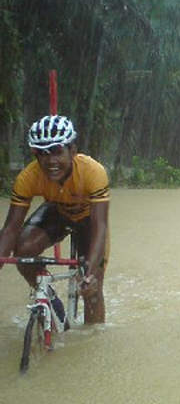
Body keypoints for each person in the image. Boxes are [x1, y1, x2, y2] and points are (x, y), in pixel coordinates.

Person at [0, 115, 110, 323]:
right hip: (58, 211)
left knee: (92, 290)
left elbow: (100, 226)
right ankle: (48, 296)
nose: (51, 161)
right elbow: (10, 230)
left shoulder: (93, 172)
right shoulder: (27, 178)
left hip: (89, 219)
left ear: (73, 151)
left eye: (58, 151)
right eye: (43, 154)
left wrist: (89, 274)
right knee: (23, 251)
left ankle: (91, 343)